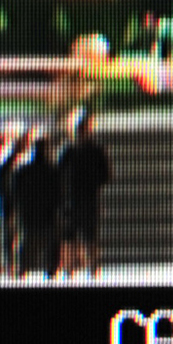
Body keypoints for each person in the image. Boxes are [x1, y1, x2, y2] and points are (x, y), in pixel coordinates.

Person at [57, 106, 113, 278]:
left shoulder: (69, 150)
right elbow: (106, 175)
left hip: (79, 202)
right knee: (79, 237)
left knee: (80, 237)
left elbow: (58, 175)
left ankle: (82, 270)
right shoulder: (87, 150)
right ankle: (82, 270)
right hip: (80, 202)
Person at [12, 126, 64, 278]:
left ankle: (20, 277)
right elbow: (59, 196)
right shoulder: (53, 171)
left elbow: (16, 195)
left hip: (29, 220)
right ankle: (51, 276)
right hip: (48, 219)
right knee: (50, 255)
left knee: (25, 256)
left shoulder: (22, 171)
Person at [0, 121, 27, 276]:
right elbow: (5, 184)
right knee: (10, 238)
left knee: (11, 238)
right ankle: (11, 270)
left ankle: (12, 269)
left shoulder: (4, 156)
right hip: (7, 205)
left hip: (8, 204)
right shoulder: (7, 157)